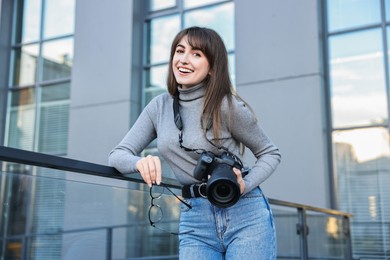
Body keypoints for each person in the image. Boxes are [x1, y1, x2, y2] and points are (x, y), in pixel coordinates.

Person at [109, 26, 281, 259]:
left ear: (212, 67)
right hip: (196, 219)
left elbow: (270, 153)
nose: (183, 60)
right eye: (180, 51)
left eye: (196, 54)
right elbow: (118, 154)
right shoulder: (159, 107)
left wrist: (244, 185)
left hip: (245, 213)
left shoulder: (226, 106)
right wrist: (139, 162)